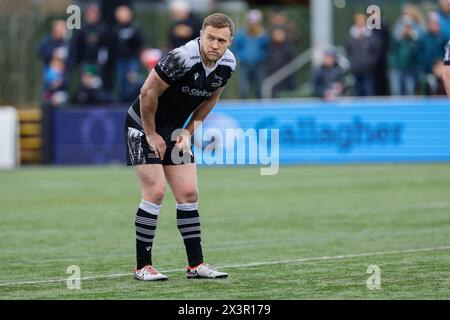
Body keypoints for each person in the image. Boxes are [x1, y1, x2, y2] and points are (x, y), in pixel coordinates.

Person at [124, 13, 236, 281]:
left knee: (188, 193)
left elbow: (210, 100)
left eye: (221, 40)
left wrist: (187, 131)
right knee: (156, 191)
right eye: (210, 38)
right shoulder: (182, 57)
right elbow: (147, 93)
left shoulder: (228, 63)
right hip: (141, 124)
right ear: (201, 34)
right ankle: (142, 267)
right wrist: (150, 134)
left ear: (230, 41)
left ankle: (196, 266)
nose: (214, 44)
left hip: (174, 129)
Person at [233, 9, 269, 99]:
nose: (253, 23)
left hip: (259, 65)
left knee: (258, 89)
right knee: (244, 89)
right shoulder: (241, 33)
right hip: (245, 65)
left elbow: (266, 48)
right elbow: (236, 48)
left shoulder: (263, 34)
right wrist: (242, 57)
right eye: (251, 21)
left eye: (255, 21)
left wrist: (260, 57)